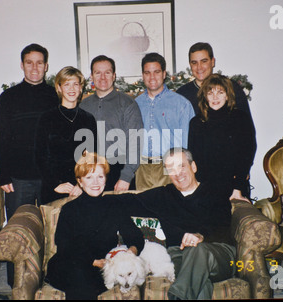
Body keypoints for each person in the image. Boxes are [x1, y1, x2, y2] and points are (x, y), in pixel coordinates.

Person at [118, 148, 236, 300]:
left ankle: (177, 297)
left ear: (193, 167)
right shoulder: (163, 195)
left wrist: (201, 236)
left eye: (181, 166)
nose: (178, 173)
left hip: (219, 253)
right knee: (200, 284)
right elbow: (127, 201)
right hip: (179, 255)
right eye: (171, 169)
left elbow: (222, 226)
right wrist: (91, 199)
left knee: (197, 250)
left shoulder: (215, 192)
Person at [0, 43, 59, 286]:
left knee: (51, 230)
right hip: (18, 178)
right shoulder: (8, 97)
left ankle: (50, 278)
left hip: (49, 178)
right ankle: (17, 283)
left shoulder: (55, 95)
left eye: (39, 62)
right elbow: (0, 137)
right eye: (29, 62)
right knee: (18, 231)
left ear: (46, 66)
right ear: (22, 65)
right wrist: (3, 176)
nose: (34, 67)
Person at [45, 152, 145, 300]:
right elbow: (65, 247)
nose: (95, 182)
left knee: (87, 279)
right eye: (89, 177)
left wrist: (131, 252)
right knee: (79, 275)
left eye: (100, 176)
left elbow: (135, 235)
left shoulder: (114, 205)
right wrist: (93, 262)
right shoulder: (69, 209)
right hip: (70, 263)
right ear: (80, 181)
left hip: (100, 268)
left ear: (105, 179)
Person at [80, 55, 144, 191]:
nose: (102, 77)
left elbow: (135, 142)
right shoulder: (83, 105)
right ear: (91, 76)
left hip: (119, 171)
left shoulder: (128, 104)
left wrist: (126, 177)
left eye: (107, 72)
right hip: (91, 172)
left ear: (114, 76)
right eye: (98, 73)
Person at [188, 74, 256, 201]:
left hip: (235, 189)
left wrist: (238, 189)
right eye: (210, 93)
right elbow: (194, 160)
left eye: (220, 92)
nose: (215, 97)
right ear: (205, 96)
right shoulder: (196, 123)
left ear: (227, 95)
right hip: (206, 190)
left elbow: (246, 155)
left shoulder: (241, 119)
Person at [35, 66, 97, 204]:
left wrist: (81, 185)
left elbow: (91, 157)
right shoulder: (46, 118)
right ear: (59, 87)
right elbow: (40, 156)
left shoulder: (88, 119)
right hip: (53, 188)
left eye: (76, 84)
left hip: (81, 188)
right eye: (67, 84)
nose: (72, 88)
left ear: (81, 88)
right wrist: (55, 185)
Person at [135, 52, 195, 190]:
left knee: (169, 209)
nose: (152, 77)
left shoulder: (181, 104)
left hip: (170, 167)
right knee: (142, 209)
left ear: (164, 74)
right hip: (142, 168)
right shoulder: (135, 104)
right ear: (143, 75)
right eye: (147, 72)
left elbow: (187, 141)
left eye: (156, 72)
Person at [176, 42, 253, 120]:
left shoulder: (231, 87)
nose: (199, 67)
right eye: (194, 63)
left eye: (204, 61)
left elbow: (247, 127)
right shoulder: (182, 94)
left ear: (212, 62)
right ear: (190, 65)